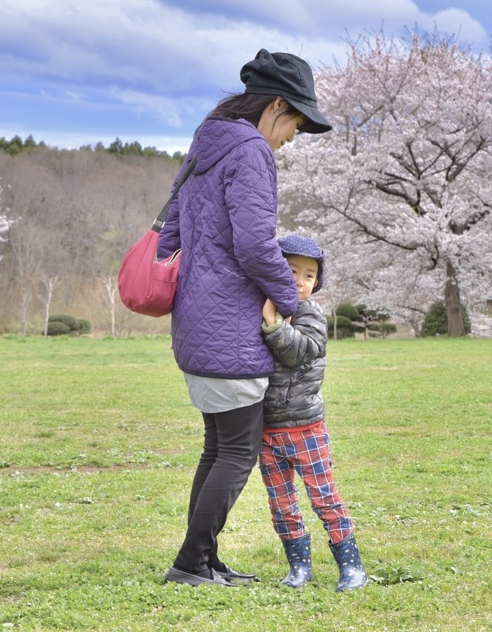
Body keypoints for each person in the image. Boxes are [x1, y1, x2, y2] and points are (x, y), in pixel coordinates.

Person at [158, 50, 332, 588]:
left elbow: (171, 237)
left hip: (195, 324)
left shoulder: (206, 142)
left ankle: (203, 560)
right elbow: (257, 246)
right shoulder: (252, 151)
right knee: (236, 452)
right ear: (277, 105)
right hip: (232, 328)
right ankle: (190, 563)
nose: (292, 137)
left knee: (218, 447)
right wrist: (295, 303)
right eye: (296, 123)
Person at [258, 235, 369, 592]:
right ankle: (299, 565)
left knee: (324, 497)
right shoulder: (260, 305)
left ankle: (351, 566)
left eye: (308, 275)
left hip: (305, 426)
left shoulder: (310, 314)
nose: (299, 281)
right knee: (282, 503)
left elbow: (303, 349)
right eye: (291, 271)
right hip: (266, 428)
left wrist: (274, 326)